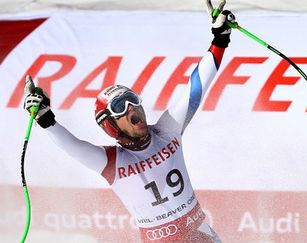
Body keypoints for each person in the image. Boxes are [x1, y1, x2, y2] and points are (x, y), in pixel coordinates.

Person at [23, 4, 236, 242]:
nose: (131, 109)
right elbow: (73, 146)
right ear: (110, 126)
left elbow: (196, 87)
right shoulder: (113, 161)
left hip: (202, 234)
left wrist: (219, 41)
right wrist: (46, 119)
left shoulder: (167, 131)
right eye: (119, 107)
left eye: (133, 100)